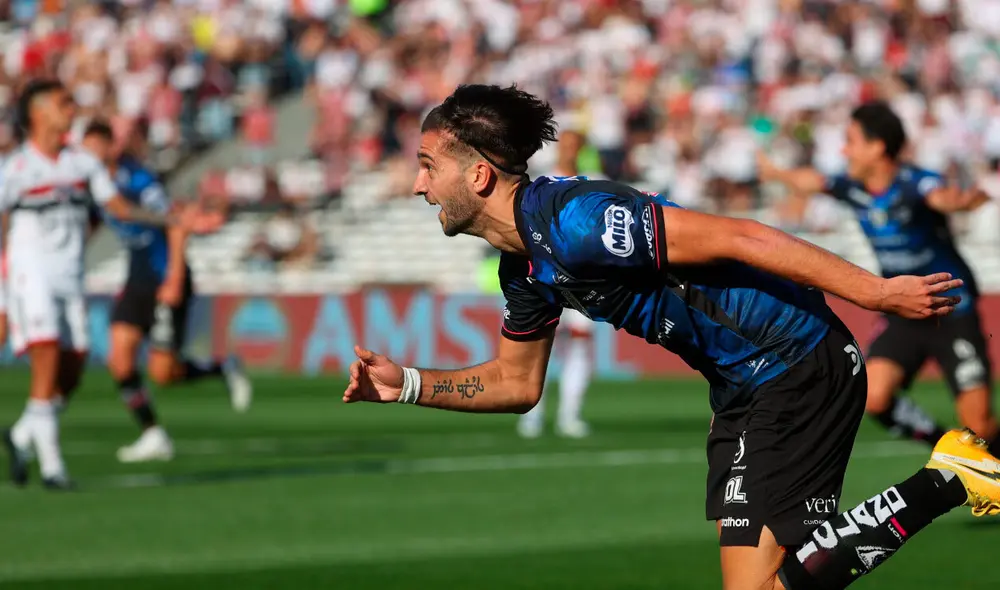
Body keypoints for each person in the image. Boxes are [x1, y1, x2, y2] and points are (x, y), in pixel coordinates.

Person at [342, 84, 1000, 590]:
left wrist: (875, 292)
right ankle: (946, 476)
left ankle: (946, 479)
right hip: (742, 388)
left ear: (479, 175)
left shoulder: (579, 222)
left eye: (428, 166)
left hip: (797, 363)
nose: (418, 184)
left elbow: (739, 236)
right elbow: (516, 384)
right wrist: (408, 386)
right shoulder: (525, 266)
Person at [0, 79, 219, 489]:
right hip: (32, 275)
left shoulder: (81, 164)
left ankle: (21, 434)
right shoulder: (14, 168)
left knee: (72, 368)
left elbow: (119, 207)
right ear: (38, 113)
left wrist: (174, 221)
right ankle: (52, 468)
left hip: (70, 276)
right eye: (63, 103)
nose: (72, 108)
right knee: (45, 359)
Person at [757, 101, 997, 455]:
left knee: (980, 425)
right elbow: (811, 180)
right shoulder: (850, 187)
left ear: (877, 147)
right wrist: (777, 174)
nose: (844, 150)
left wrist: (961, 202)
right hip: (903, 312)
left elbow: (942, 197)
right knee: (875, 397)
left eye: (851, 140)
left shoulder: (915, 182)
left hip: (951, 312)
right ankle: (943, 445)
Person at [80, 120, 252, 464]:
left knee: (163, 374)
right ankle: (153, 434)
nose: (87, 155)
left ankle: (221, 368)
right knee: (120, 359)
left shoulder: (138, 180)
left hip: (165, 276)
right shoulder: (93, 184)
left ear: (110, 147)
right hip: (136, 276)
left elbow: (175, 222)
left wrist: (174, 276)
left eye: (93, 148)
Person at [518, 128, 593, 439]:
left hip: (583, 278)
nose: (570, 151)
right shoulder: (543, 183)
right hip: (547, 275)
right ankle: (532, 414)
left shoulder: (591, 182)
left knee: (578, 346)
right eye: (567, 145)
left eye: (576, 145)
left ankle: (569, 415)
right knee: (540, 345)